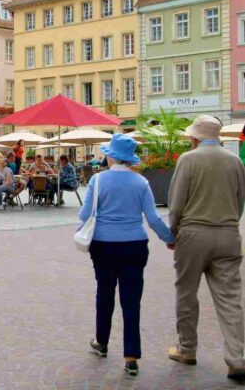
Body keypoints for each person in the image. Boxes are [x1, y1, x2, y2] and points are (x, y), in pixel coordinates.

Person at [81, 133, 174, 377]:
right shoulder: (141, 182)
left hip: (103, 243)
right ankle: (131, 357)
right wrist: (169, 238)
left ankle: (101, 342)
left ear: (111, 156)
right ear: (129, 159)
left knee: (105, 292)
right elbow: (153, 217)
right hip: (134, 243)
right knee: (131, 300)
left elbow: (83, 216)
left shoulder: (98, 181)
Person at [167, 115, 245, 381]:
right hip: (228, 233)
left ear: (195, 137)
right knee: (230, 299)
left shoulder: (188, 160)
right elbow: (240, 200)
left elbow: (176, 202)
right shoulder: (235, 161)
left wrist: (172, 232)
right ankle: (237, 358)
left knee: (187, 292)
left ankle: (187, 349)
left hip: (193, 233)